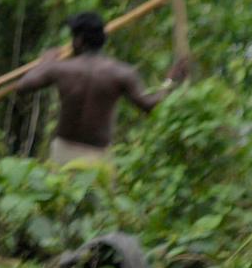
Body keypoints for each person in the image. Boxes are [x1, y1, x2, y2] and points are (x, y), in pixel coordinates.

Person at [12, 10, 186, 163]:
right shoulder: (121, 72)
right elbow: (150, 106)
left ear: (78, 41)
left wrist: (46, 62)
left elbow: (22, 86)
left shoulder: (60, 69)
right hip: (98, 155)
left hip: (64, 151)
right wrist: (170, 82)